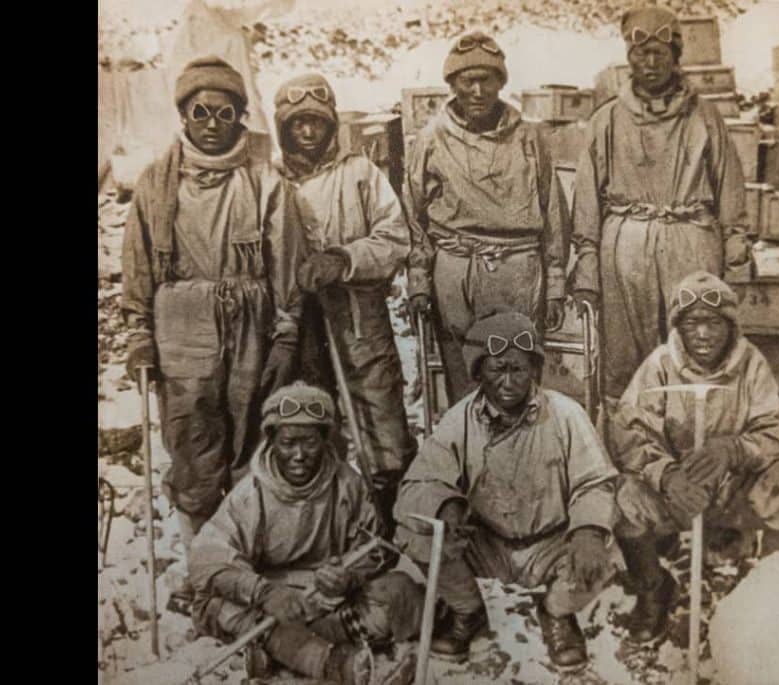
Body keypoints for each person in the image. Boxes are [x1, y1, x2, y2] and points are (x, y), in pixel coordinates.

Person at [121, 56, 301, 609]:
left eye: (226, 111)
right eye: (200, 110)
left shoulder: (266, 180)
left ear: (242, 117)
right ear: (184, 115)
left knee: (251, 433)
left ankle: (246, 559)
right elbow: (139, 263)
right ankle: (203, 563)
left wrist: (286, 331)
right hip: (182, 322)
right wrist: (139, 334)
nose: (212, 122)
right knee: (193, 438)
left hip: (250, 315)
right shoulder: (156, 181)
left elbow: (285, 262)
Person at [393, 309, 618, 669]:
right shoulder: (459, 419)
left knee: (602, 555)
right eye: (497, 369)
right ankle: (468, 611)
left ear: (535, 370)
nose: (509, 382)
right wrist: (445, 506)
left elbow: (595, 482)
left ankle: (556, 612)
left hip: (550, 543)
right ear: (478, 372)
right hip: (487, 544)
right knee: (417, 533)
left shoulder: (565, 414)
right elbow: (419, 484)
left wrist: (589, 532)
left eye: (519, 369)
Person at [609, 271, 779, 643]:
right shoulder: (658, 365)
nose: (703, 334)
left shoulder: (750, 364)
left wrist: (735, 449)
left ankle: (768, 597)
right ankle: (653, 591)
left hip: (733, 491)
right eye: (693, 323)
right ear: (679, 325)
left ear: (731, 325)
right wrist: (667, 475)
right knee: (625, 498)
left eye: (713, 323)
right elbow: (629, 433)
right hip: (679, 494)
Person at [570, 6, 753, 421]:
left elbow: (731, 193)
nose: (650, 63)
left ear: (676, 55)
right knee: (624, 360)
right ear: (628, 56)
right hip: (625, 255)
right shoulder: (607, 121)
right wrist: (585, 265)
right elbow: (585, 200)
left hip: (690, 246)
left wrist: (735, 258)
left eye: (660, 53)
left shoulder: (706, 118)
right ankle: (629, 458)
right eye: (641, 53)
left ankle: (691, 458)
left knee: (693, 348)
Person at [188, 382, 424, 684]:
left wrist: (348, 576)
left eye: (309, 442)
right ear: (272, 439)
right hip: (268, 600)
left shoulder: (346, 484)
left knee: (401, 591)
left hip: (324, 597)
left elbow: (373, 546)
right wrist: (264, 592)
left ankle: (280, 649)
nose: (299, 455)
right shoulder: (250, 495)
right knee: (217, 603)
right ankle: (334, 664)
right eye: (288, 443)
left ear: (325, 439)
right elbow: (206, 560)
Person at [271, 73, 416, 531]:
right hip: (297, 318)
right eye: (298, 125)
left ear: (331, 125)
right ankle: (324, 521)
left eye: (316, 122)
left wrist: (344, 259)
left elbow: (396, 238)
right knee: (310, 412)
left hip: (357, 315)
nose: (308, 133)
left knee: (379, 415)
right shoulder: (269, 183)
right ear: (284, 130)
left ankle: (391, 516)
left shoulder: (359, 174)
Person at [404, 31, 571, 405]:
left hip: (518, 271)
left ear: (501, 83)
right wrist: (418, 280)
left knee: (517, 375)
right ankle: (471, 456)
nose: (477, 91)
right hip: (456, 268)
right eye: (468, 81)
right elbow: (413, 215)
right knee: (464, 379)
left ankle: (522, 457)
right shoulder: (431, 139)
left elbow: (553, 212)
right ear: (453, 85)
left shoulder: (530, 137)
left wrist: (556, 282)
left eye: (487, 80)